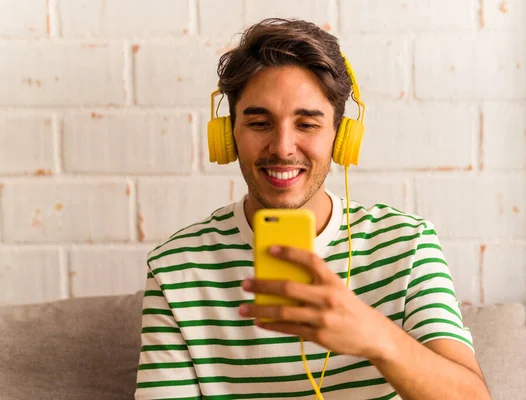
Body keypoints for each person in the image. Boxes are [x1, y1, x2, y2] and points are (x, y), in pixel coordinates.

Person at [135, 18, 491, 400]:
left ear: (340, 136)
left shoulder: (407, 246)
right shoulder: (176, 266)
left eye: (306, 124)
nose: (283, 147)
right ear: (228, 135)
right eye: (259, 122)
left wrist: (376, 337)